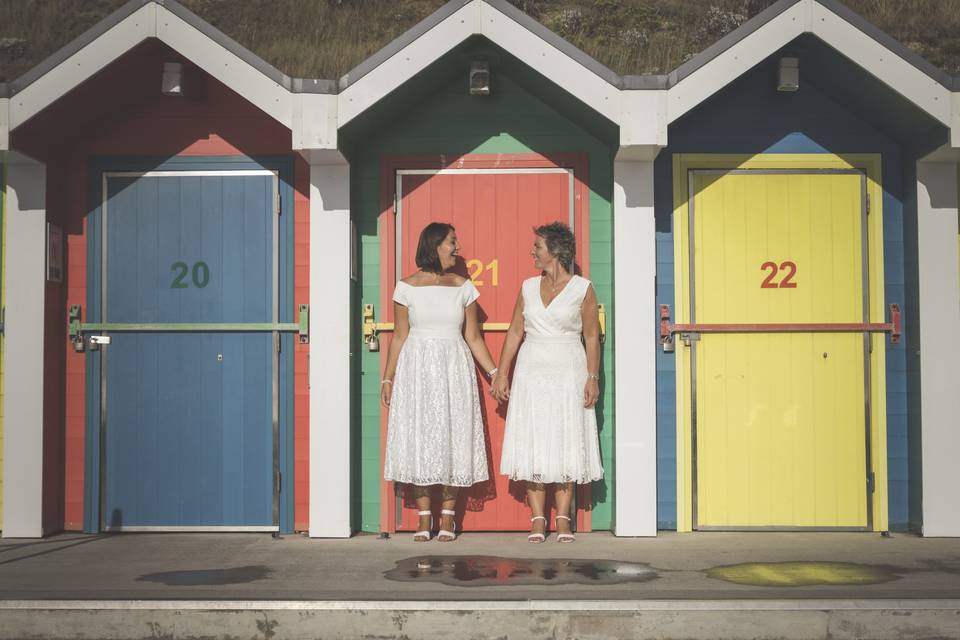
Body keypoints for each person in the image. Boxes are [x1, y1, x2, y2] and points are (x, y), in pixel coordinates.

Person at [382, 222, 499, 542]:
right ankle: (423, 518)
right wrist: (388, 377)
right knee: (420, 436)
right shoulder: (405, 287)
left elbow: (473, 337)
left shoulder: (464, 286)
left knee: (453, 436)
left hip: (454, 367)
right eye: (452, 242)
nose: (457, 248)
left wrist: (494, 373)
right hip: (416, 369)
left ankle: (447, 517)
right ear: (434, 245)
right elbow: (399, 336)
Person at [492, 221, 603, 543]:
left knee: (566, 438)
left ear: (555, 250)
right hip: (532, 371)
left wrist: (592, 378)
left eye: (537, 247)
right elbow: (515, 331)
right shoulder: (527, 287)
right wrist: (502, 371)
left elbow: (592, 336)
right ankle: (538, 518)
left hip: (569, 368)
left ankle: (564, 518)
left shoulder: (583, 288)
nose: (532, 252)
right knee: (535, 439)